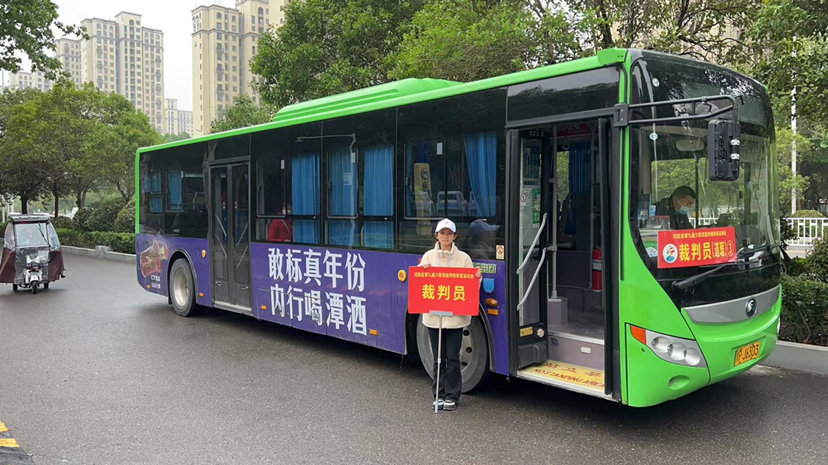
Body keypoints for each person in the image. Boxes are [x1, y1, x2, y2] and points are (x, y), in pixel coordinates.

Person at [420, 218, 481, 411]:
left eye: (449, 233)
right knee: (438, 357)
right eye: (442, 233)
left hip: (455, 319)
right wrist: (422, 271)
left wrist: (477, 278)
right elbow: (421, 283)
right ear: (436, 235)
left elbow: (471, 287)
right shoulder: (428, 256)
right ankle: (438, 394)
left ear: (455, 236)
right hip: (434, 318)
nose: (445, 237)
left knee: (453, 357)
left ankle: (452, 396)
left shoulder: (464, 258)